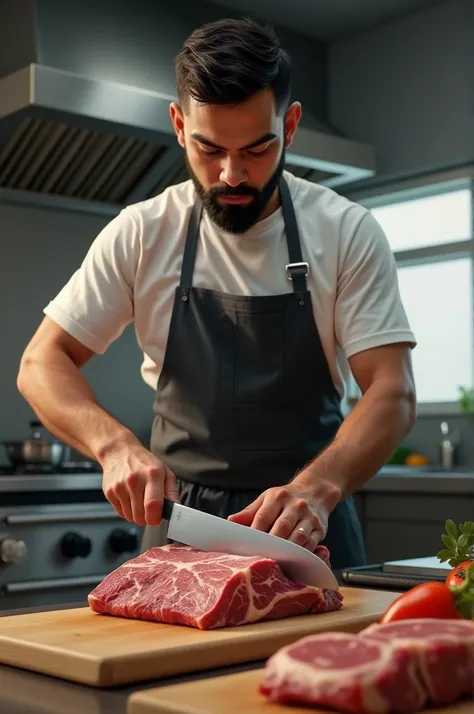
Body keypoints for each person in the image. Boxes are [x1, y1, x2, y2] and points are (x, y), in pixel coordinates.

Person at [17, 17, 416, 570]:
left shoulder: (346, 231)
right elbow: (41, 361)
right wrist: (113, 446)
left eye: (257, 149)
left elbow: (391, 392)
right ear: (179, 125)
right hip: (181, 526)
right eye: (210, 150)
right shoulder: (142, 232)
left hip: (308, 526)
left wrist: (319, 489)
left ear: (291, 125)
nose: (231, 175)